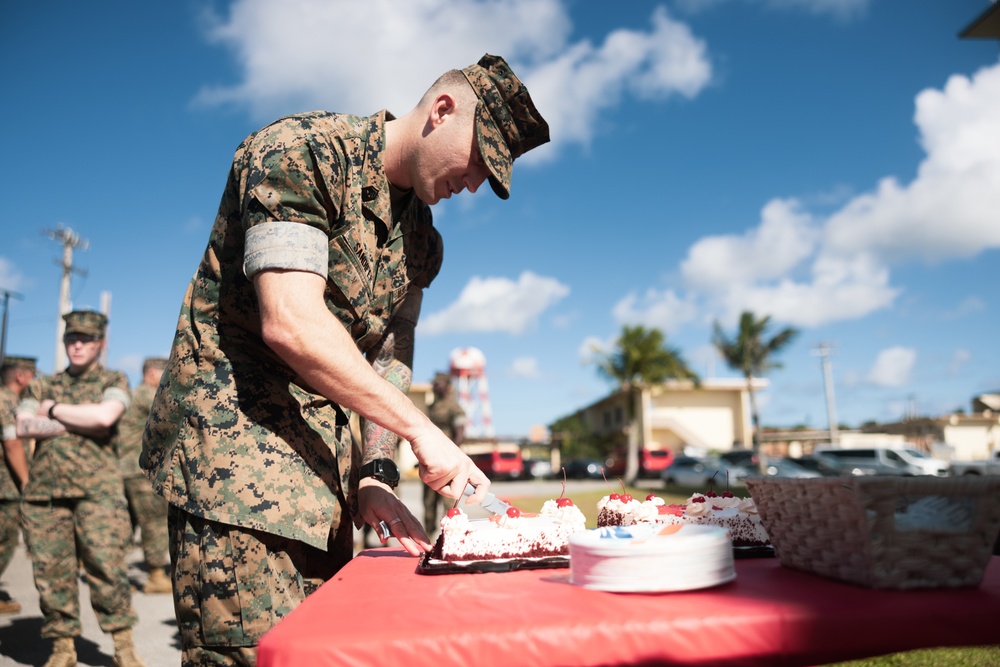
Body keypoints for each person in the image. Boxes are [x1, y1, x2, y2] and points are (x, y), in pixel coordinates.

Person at [141, 53, 549, 664]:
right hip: (236, 475)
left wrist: (375, 472)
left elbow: (391, 353)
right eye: (477, 161)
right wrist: (423, 433)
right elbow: (293, 324)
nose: (472, 184)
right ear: (442, 110)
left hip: (321, 487)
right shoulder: (301, 152)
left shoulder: (422, 240)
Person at [16, 311, 145, 667]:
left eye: (86, 339)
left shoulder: (113, 379)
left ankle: (123, 646)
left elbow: (105, 417)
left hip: (98, 493)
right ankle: (62, 648)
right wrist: (78, 420)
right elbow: (24, 425)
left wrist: (54, 411)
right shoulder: (42, 384)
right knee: (51, 574)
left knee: (106, 569)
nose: (78, 345)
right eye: (72, 338)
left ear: (100, 344)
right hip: (45, 495)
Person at [116, 357, 171, 594]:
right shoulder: (149, 394)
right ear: (151, 374)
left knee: (126, 527)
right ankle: (156, 576)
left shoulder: (135, 394)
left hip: (127, 469)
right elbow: (171, 415)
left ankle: (113, 577)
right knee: (154, 522)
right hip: (140, 470)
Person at [0, 355, 37, 615]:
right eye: (33, 375)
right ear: (21, 377)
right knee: (4, 540)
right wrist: (25, 481)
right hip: (6, 486)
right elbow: (11, 443)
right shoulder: (7, 401)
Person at [423, 372, 467, 535]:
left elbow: (460, 434)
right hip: (431, 462)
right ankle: (427, 540)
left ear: (447, 386)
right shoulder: (432, 407)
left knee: (449, 504)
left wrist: (450, 457)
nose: (434, 387)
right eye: (434, 384)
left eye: (438, 383)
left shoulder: (453, 406)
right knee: (428, 504)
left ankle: (450, 536)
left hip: (448, 463)